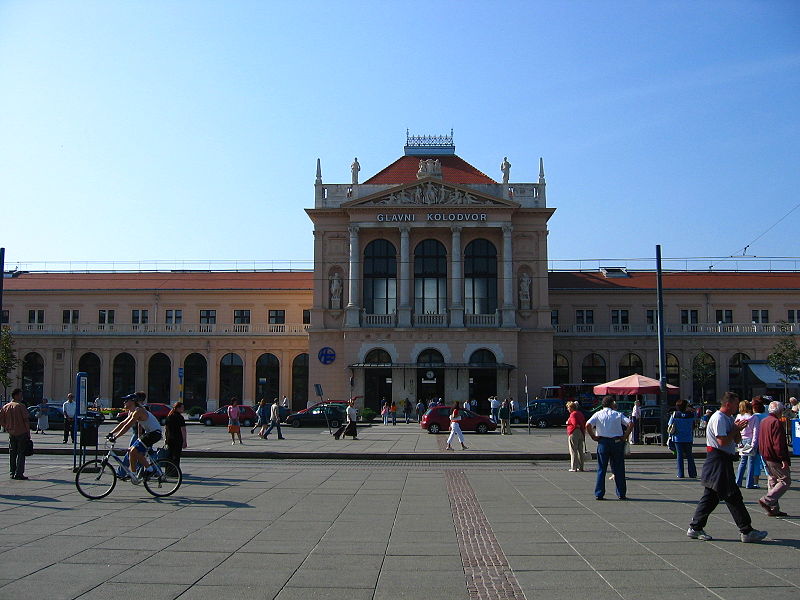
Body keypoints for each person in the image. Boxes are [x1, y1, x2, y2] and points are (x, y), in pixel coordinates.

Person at [687, 391, 767, 543]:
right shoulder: (718, 418)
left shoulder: (729, 418)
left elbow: (735, 440)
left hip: (723, 459)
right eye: (736, 404)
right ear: (728, 404)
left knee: (711, 496)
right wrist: (735, 430)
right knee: (732, 495)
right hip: (718, 459)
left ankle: (695, 527)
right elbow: (722, 441)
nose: (738, 407)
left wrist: (739, 430)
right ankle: (746, 530)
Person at [107, 393, 163, 481]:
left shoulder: (139, 410)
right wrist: (111, 433)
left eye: (126, 401)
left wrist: (116, 437)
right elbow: (123, 423)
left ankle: (150, 470)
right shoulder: (132, 411)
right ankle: (133, 474)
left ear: (132, 402)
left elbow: (127, 426)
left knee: (134, 450)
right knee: (132, 451)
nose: (124, 402)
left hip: (155, 433)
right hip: (149, 433)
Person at [586, 396, 632, 500]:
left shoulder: (598, 414)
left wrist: (593, 436)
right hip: (616, 442)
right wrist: (625, 436)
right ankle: (621, 493)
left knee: (601, 468)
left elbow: (587, 424)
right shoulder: (618, 414)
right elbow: (630, 423)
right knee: (619, 468)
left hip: (602, 442)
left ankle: (599, 493)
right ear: (612, 404)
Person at [756, 400, 791, 517]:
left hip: (765, 454)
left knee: (772, 480)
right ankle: (768, 500)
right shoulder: (776, 422)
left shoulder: (764, 421)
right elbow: (779, 443)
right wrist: (784, 459)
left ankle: (773, 508)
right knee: (785, 480)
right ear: (780, 411)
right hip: (774, 456)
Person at [0, 389, 31, 480]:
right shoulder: (21, 406)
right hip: (22, 432)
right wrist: (28, 433)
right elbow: (26, 420)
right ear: (16, 396)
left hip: (11, 433)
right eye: (20, 395)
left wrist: (7, 427)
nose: (21, 397)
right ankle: (19, 473)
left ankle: (12, 472)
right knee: (21, 453)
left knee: (12, 453)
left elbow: (1, 420)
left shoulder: (5, 407)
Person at [668, 399, 697, 478]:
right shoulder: (691, 415)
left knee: (679, 456)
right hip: (688, 438)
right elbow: (694, 424)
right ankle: (692, 473)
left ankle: (680, 473)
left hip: (677, 438)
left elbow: (670, 424)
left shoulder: (675, 414)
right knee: (689, 455)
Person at [735, 399, 755, 487]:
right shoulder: (753, 417)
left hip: (741, 440)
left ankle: (738, 481)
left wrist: (738, 442)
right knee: (750, 462)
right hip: (750, 439)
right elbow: (755, 431)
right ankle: (749, 483)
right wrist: (754, 443)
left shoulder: (738, 417)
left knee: (742, 461)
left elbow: (735, 429)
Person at [164, 402, 187, 468]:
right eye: (182, 408)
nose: (183, 409)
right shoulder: (180, 417)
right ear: (178, 408)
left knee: (169, 455)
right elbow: (183, 429)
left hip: (169, 438)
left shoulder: (169, 416)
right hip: (178, 439)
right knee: (176, 456)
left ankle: (168, 470)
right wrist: (184, 441)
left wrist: (166, 438)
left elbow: (166, 429)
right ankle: (175, 471)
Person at [566, 401, 587, 472]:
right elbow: (583, 423)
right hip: (581, 432)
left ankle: (574, 467)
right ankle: (581, 467)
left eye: (568, 407)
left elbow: (574, 423)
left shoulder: (573, 414)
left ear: (571, 408)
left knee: (573, 450)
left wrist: (568, 422)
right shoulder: (580, 413)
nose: (567, 409)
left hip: (574, 432)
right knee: (580, 450)